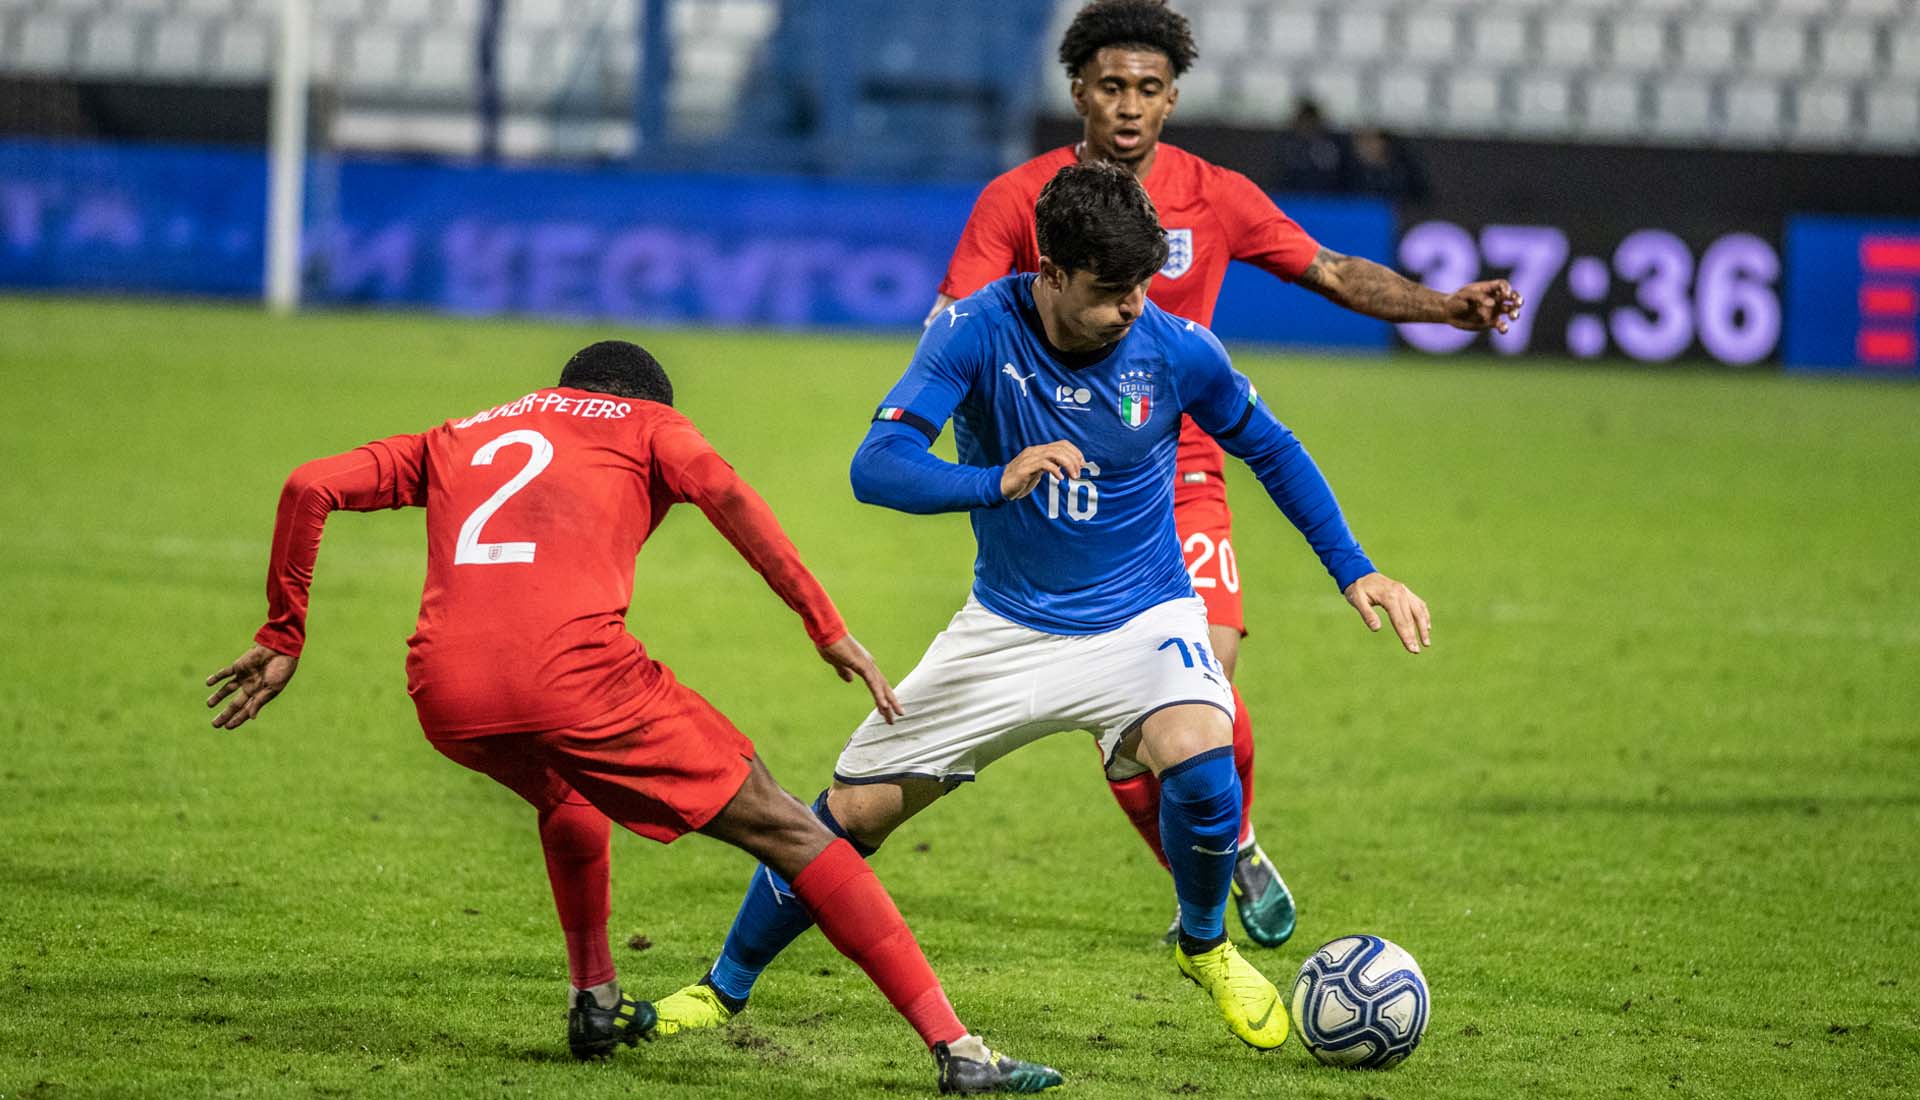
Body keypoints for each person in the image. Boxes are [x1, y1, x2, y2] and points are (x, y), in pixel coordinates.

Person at [653, 161, 1432, 1052]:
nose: (1132, 307)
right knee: (850, 817)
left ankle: (1204, 944)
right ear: (1051, 271)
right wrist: (993, 479)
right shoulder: (974, 331)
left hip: (1143, 618)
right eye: (1109, 290)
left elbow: (1274, 448)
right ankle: (723, 987)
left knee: (1202, 752)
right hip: (1006, 629)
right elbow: (877, 466)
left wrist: (1356, 570)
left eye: (1142, 285)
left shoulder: (1178, 350)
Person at [201, 341, 1063, 1094]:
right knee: (796, 833)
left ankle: (595, 1001)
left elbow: (309, 484)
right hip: (576, 678)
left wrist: (284, 631)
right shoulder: (650, 424)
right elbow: (727, 494)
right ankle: (958, 1051)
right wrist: (825, 627)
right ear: (646, 399)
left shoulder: (459, 435)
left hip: (447, 693)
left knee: (566, 795)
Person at [921, 0, 1522, 949]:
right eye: (1111, 87)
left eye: (1148, 88)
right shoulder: (1019, 199)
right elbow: (955, 323)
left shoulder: (1214, 194)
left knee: (1202, 684)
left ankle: (1229, 842)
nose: (1128, 106)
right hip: (1064, 483)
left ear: (1171, 100)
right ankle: (1206, 872)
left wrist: (1444, 307)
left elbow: (1332, 270)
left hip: (1183, 467)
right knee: (1129, 730)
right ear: (1078, 93)